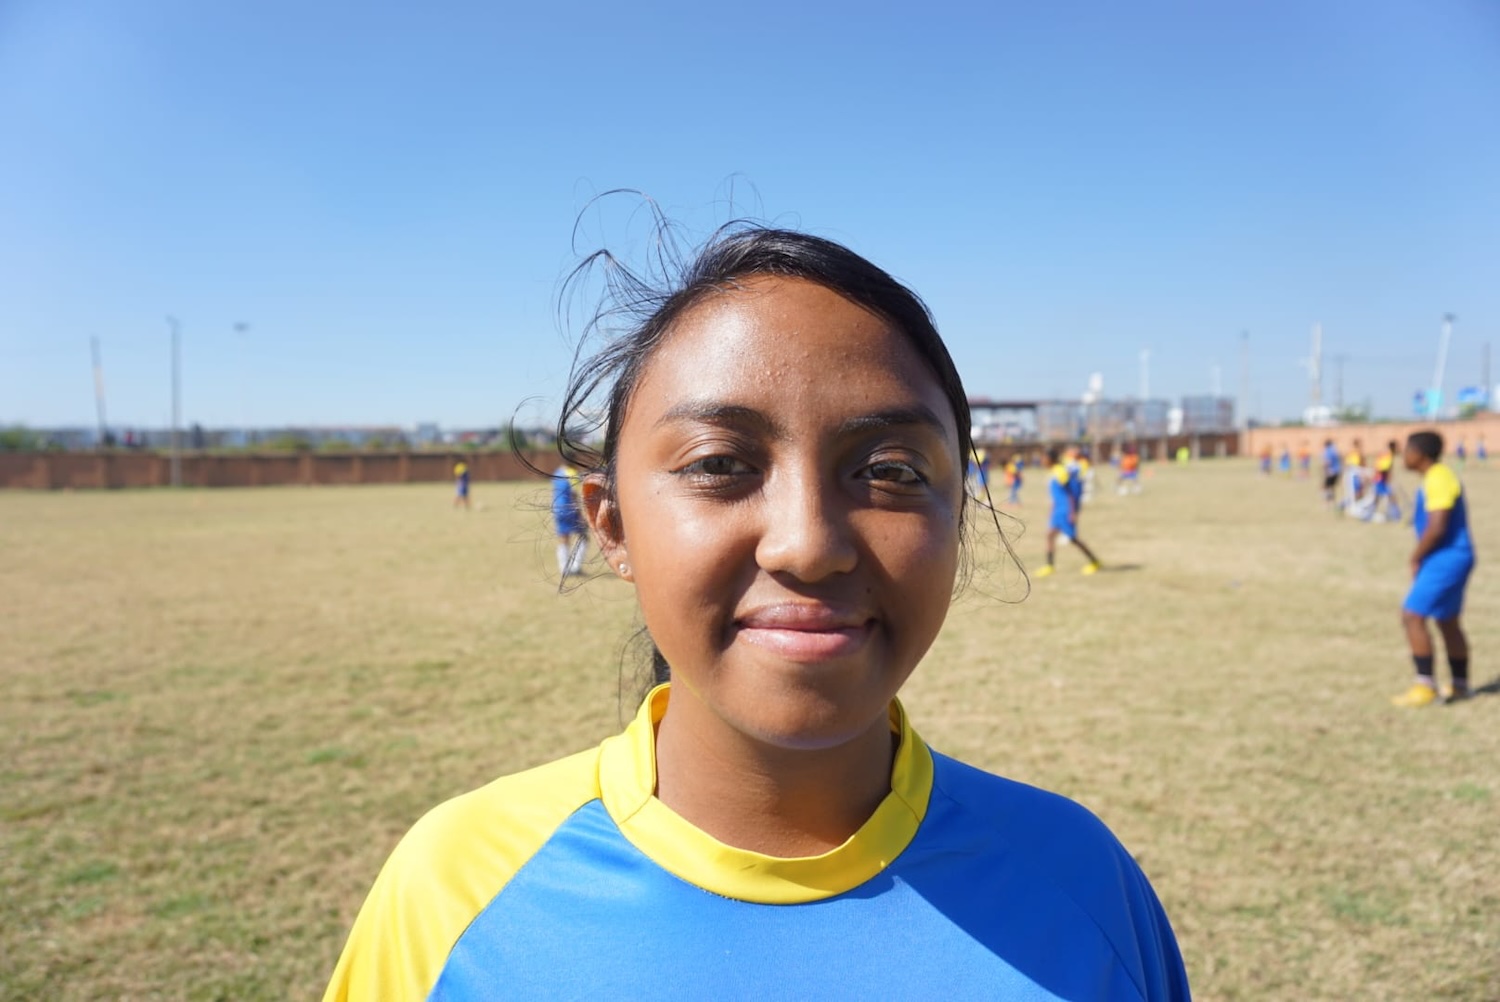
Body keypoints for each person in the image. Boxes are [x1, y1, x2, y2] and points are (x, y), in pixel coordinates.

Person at [322, 226, 1188, 999]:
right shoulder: (452, 893)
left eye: (890, 470)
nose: (807, 545)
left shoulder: (1080, 884)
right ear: (611, 524)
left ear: (956, 520)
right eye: (718, 462)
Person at [1392, 430, 1476, 707]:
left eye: (1408, 450)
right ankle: (1461, 686)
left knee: (1412, 615)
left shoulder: (1439, 478)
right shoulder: (1436, 477)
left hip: (1446, 558)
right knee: (1447, 620)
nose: (1404, 455)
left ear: (1421, 454)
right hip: (1449, 556)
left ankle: (1425, 685)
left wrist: (1416, 556)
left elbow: (1437, 526)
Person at [1037, 445, 1103, 577]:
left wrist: (1073, 512)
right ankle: (1049, 566)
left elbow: (1070, 494)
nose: (1042, 461)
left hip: (1065, 510)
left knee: (1073, 539)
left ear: (1050, 459)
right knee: (1050, 535)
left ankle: (1094, 561)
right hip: (1057, 510)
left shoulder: (1061, 472)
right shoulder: (1054, 470)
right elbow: (1056, 495)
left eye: (1044, 458)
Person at [551, 461, 588, 577]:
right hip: (569, 510)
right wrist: (580, 514)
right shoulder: (572, 473)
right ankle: (575, 567)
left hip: (558, 509)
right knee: (583, 537)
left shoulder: (557, 472)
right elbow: (574, 495)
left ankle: (564, 569)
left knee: (563, 538)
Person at [1370, 440, 1402, 523]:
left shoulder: (1386, 454)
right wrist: (1387, 477)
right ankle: (1396, 515)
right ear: (1393, 447)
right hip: (1380, 479)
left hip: (1380, 479)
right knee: (1389, 496)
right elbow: (1383, 468)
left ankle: (1371, 513)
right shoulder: (1388, 455)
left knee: (1378, 497)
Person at [1321, 439, 1342, 506]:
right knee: (1332, 487)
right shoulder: (1335, 450)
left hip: (1331, 472)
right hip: (1337, 471)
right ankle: (1333, 502)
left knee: (1326, 487)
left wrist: (1325, 470)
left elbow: (1327, 462)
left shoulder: (1328, 451)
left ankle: (1327, 503)